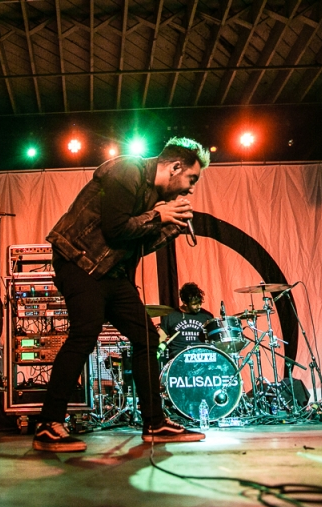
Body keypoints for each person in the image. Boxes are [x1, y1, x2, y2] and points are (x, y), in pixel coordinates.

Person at [33, 137, 210, 452]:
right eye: (191, 178)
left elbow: (134, 245)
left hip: (110, 273)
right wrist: (159, 216)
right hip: (78, 261)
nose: (191, 188)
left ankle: (154, 423)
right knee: (84, 335)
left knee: (147, 338)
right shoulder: (128, 170)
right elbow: (115, 229)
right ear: (175, 167)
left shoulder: (153, 197)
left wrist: (169, 225)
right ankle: (48, 424)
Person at [158, 282, 214, 363]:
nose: (199, 306)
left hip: (201, 358)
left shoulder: (207, 316)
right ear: (184, 303)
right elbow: (160, 338)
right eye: (194, 304)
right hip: (178, 359)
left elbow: (215, 340)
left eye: (200, 302)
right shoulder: (171, 317)